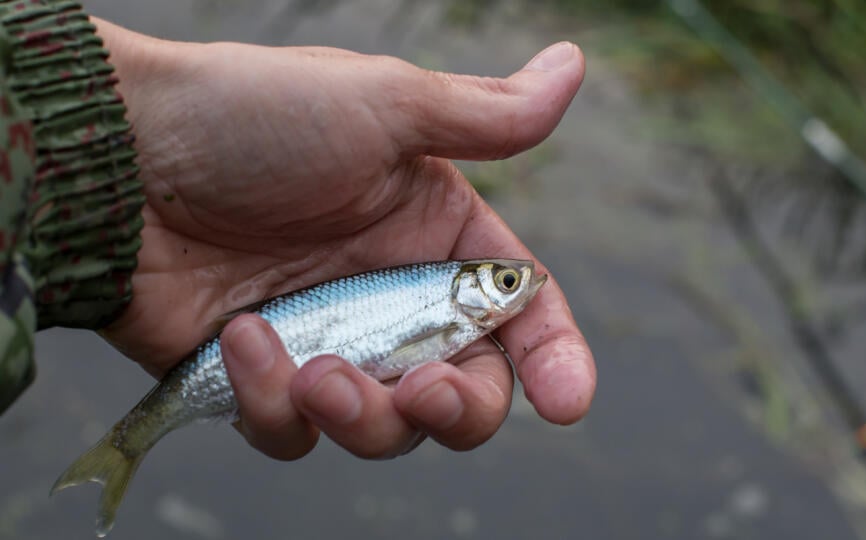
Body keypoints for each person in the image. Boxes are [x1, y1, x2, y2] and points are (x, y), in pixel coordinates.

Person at [0, 2, 596, 461]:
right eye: (505, 279)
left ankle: (127, 445)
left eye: (508, 280)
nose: (520, 282)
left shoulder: (454, 306)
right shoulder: (451, 305)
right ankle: (128, 445)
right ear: (467, 289)